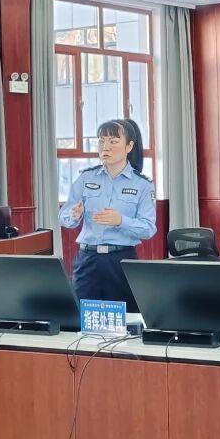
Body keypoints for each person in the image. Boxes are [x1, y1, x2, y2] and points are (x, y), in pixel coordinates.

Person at [59, 119, 156, 307]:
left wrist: (121, 221)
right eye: (102, 141)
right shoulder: (85, 178)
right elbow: (64, 217)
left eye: (113, 141)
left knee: (126, 318)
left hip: (121, 261)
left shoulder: (142, 184)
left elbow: (148, 229)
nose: (106, 147)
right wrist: (74, 215)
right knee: (82, 316)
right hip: (88, 260)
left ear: (129, 147)